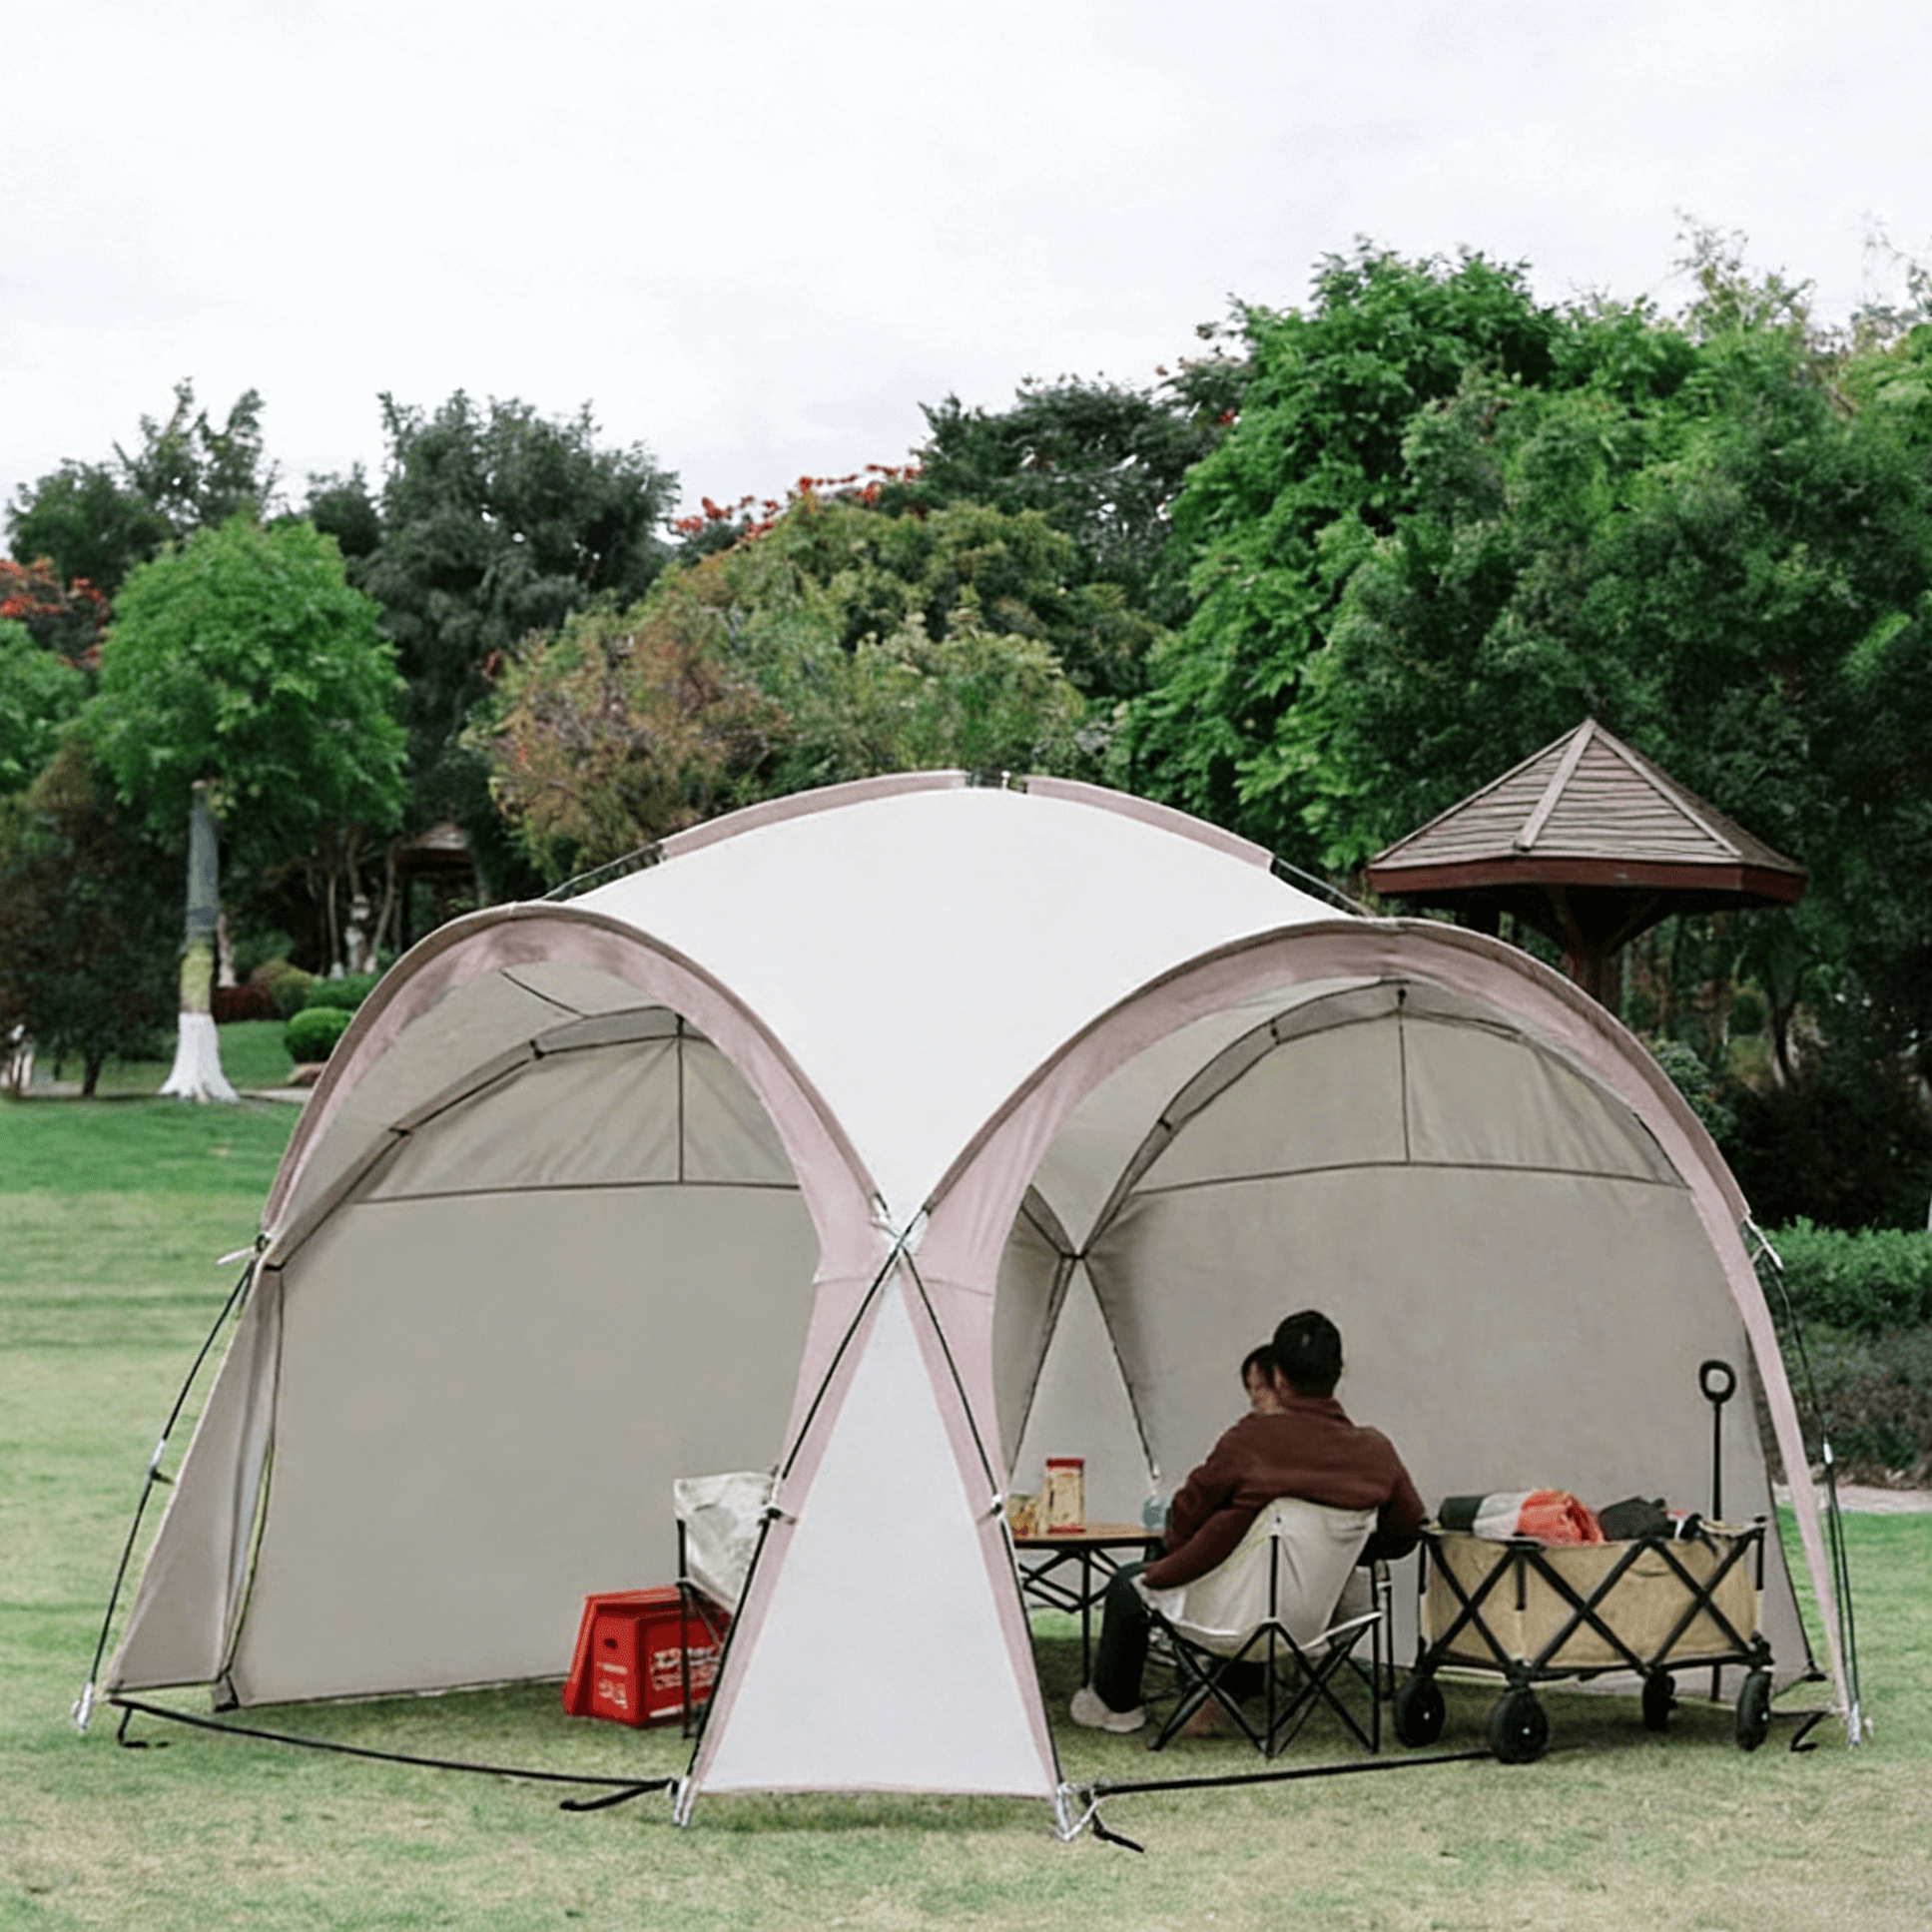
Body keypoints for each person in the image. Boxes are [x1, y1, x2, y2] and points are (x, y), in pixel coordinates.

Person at [1069, 1309, 1425, 1732]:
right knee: (1242, 1564)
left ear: (1278, 1379)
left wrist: (1186, 1553)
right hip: (1316, 1623)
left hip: (1229, 1622)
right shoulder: (1376, 1451)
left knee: (1128, 1586)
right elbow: (1405, 1532)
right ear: (1339, 1372)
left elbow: (1185, 1515)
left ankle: (1115, 1708)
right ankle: (1225, 1690)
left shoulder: (1252, 1438)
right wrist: (1342, 1553)